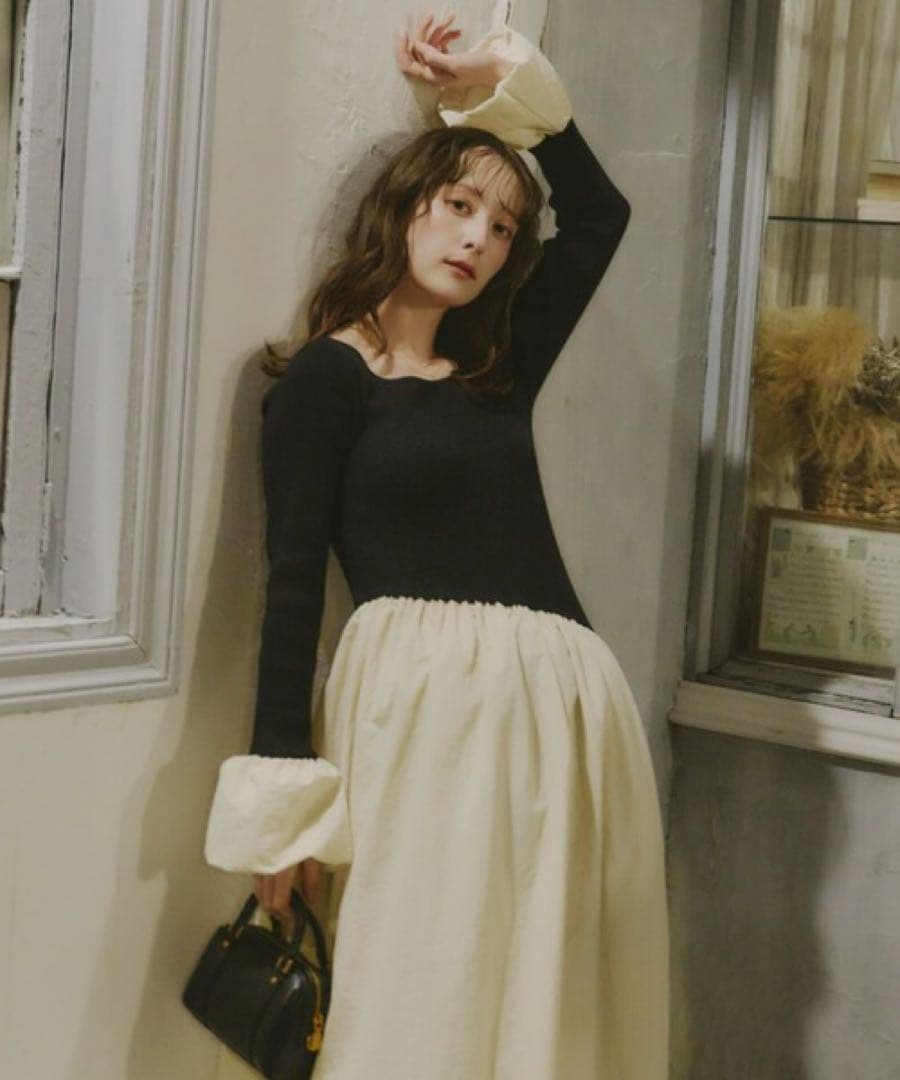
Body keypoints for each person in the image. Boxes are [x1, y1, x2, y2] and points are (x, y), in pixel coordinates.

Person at [205, 16, 669, 1079]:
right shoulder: (325, 381)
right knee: (423, 986)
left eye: (502, 226)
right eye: (459, 205)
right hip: (423, 718)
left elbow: (600, 214)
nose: (478, 239)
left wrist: (499, 83)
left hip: (565, 720)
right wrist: (283, 813)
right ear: (405, 206)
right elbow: (291, 589)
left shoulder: (496, 364)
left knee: (555, 1001)